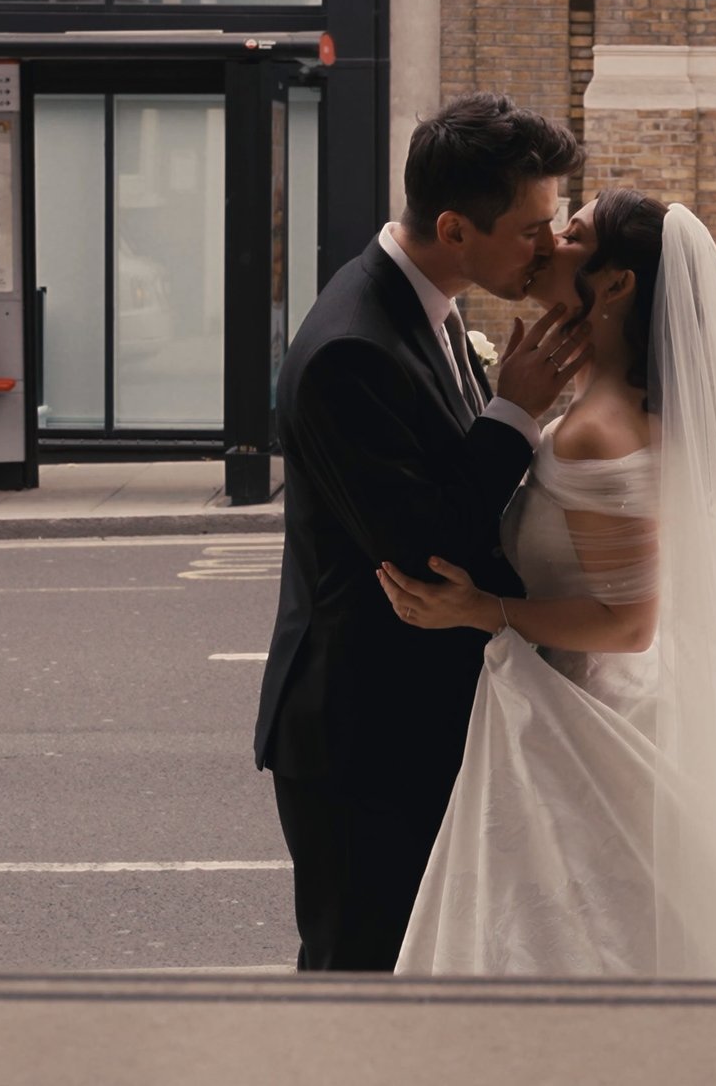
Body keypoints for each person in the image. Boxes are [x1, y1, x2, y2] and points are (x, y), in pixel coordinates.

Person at [379, 190, 716, 977]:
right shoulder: (607, 405)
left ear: (619, 282)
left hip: (590, 715)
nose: (548, 244)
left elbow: (628, 622)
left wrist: (482, 609)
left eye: (572, 234)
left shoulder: (602, 431)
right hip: (592, 699)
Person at [252, 91, 591, 972]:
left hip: (418, 716)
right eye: (530, 230)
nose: (548, 247)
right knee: (361, 972)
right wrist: (514, 412)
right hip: (363, 736)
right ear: (454, 228)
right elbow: (426, 549)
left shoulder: (429, 305)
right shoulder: (349, 351)